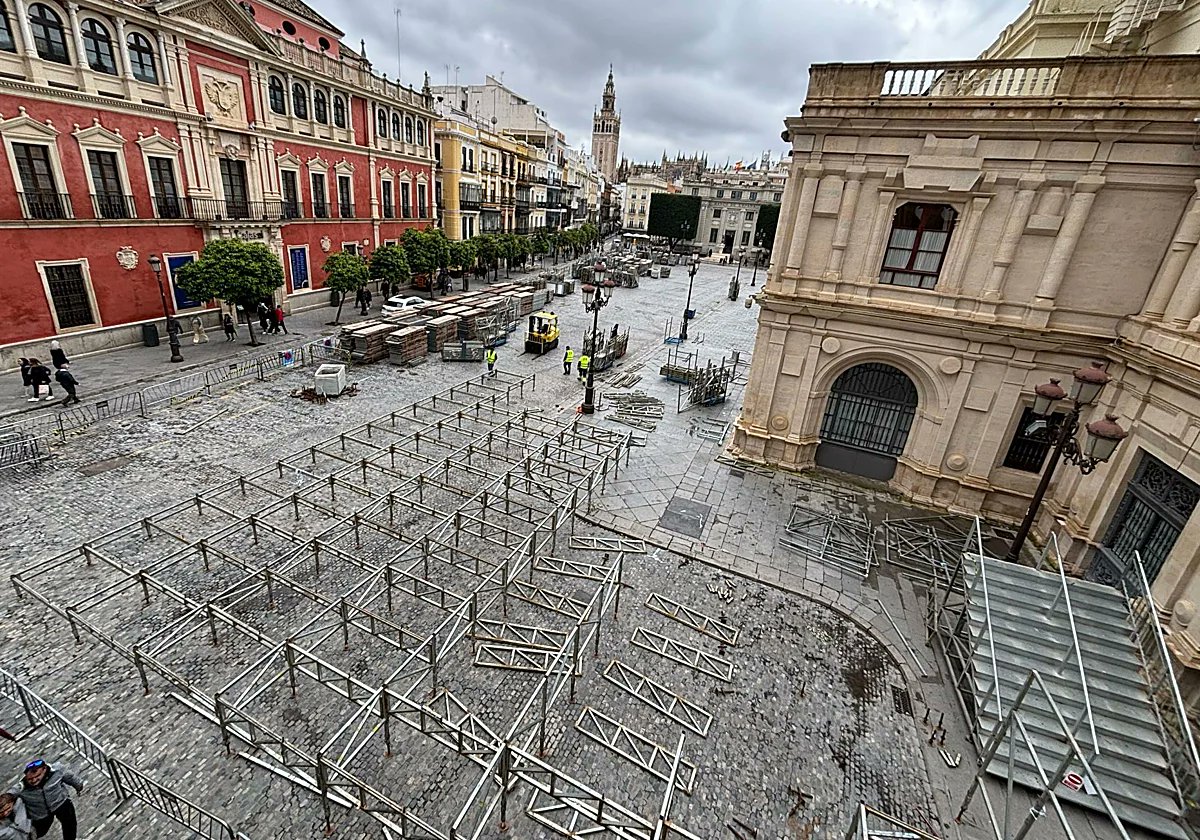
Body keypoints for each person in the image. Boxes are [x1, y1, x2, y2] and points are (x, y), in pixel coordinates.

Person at [10, 759, 83, 840]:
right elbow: (8, 796)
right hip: (40, 813)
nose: (34, 780)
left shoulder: (57, 770)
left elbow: (70, 777)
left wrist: (79, 786)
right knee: (37, 832)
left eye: (37, 776)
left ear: (44, 769)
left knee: (69, 825)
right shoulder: (21, 787)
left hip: (61, 803)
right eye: (30, 779)